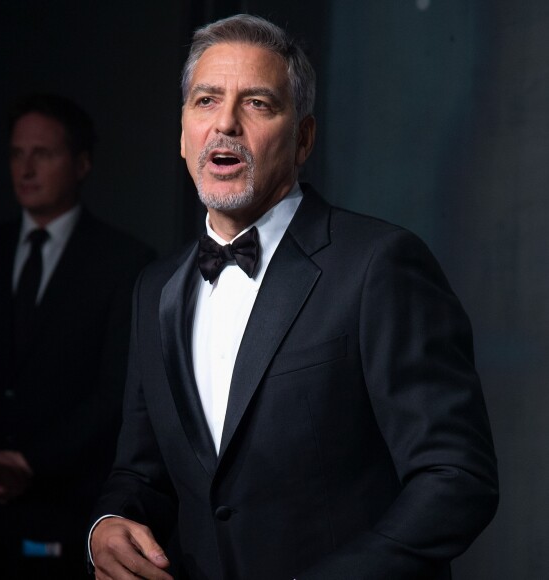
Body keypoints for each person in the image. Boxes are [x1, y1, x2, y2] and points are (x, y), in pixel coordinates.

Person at [89, 14, 498, 580]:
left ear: (303, 137)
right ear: (183, 134)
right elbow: (140, 473)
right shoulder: (154, 288)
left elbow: (457, 479)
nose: (225, 123)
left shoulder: (379, 264)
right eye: (206, 101)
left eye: (257, 103)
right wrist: (107, 523)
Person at [0, 93, 156, 579]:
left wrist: (32, 462)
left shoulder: (125, 262)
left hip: (67, 508)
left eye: (43, 154)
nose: (26, 169)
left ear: (81, 163)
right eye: (16, 154)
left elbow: (117, 391)